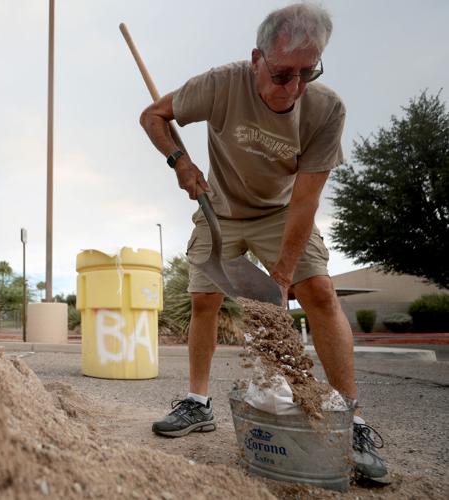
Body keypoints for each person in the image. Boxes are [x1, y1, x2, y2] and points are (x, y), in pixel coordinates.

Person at [139, 3, 390, 485]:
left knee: (319, 292)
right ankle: (197, 403)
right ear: (257, 58)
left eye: (306, 72)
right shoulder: (219, 85)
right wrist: (180, 162)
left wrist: (282, 275)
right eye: (281, 74)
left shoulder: (326, 109)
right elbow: (153, 115)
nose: (294, 88)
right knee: (204, 299)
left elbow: (305, 203)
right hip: (222, 207)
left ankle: (350, 422)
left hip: (281, 212)